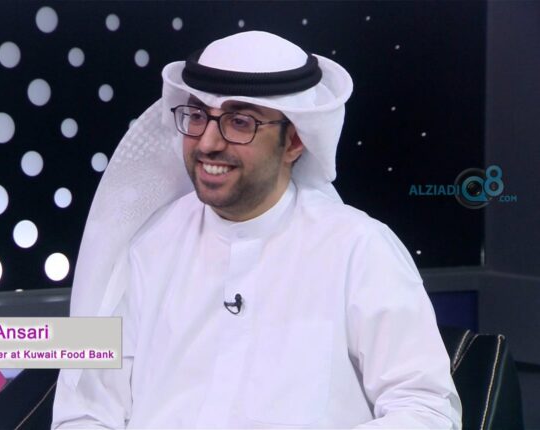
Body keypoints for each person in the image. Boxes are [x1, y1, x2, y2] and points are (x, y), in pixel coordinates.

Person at [52, 31, 461, 429]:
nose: (208, 143)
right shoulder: (144, 246)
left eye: (239, 121)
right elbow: (84, 412)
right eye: (198, 115)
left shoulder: (359, 249)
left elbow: (427, 411)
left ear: (294, 142)